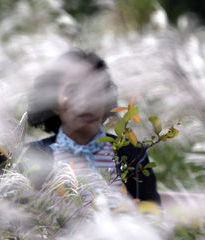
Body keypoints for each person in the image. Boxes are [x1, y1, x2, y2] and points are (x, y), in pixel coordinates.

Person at [11, 49, 161, 206]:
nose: (86, 101)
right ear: (54, 103)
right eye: (73, 91)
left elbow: (152, 215)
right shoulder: (31, 157)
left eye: (95, 91)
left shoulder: (133, 154)